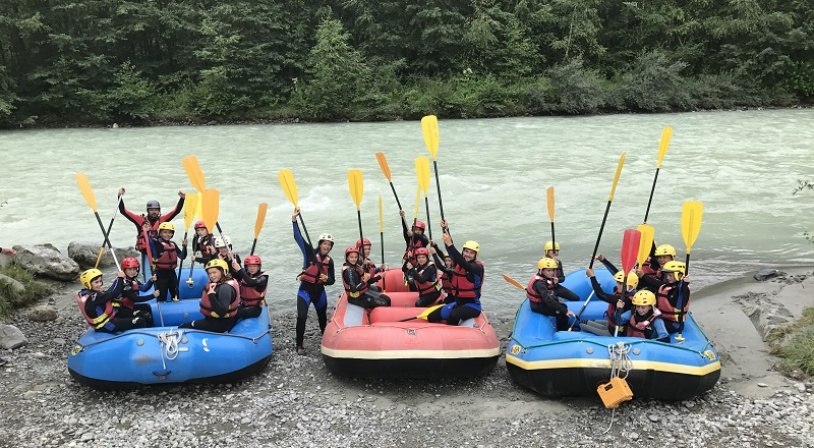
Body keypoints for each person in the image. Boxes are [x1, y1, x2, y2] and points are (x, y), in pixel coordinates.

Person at [292, 209, 335, 355]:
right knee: (302, 316)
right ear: (320, 244)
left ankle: (325, 341)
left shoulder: (330, 261)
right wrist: (294, 220)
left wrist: (327, 280)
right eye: (325, 244)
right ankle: (299, 345)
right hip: (304, 291)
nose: (327, 246)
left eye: (329, 245)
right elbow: (298, 237)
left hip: (319, 293)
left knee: (322, 317)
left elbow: (332, 280)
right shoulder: (309, 251)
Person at [117, 187, 185, 280]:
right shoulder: (140, 220)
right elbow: (123, 211)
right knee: (149, 275)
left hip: (160, 252)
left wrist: (182, 199)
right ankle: (148, 286)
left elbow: (176, 211)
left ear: (159, 211)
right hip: (146, 253)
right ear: (148, 211)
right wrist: (119, 196)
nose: (154, 212)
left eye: (156, 210)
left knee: (160, 274)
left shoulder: (162, 219)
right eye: (151, 210)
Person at [427, 220, 483, 326]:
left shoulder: (476, 268)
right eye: (466, 251)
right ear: (463, 252)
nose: (468, 255)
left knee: (453, 315)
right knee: (431, 317)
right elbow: (452, 251)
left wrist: (450, 244)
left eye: (471, 253)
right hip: (458, 303)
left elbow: (463, 262)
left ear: (475, 255)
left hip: (472, 306)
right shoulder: (458, 263)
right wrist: (445, 229)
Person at [76, 268, 149, 333]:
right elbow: (113, 294)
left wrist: (118, 279)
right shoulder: (94, 297)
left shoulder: (87, 293)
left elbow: (109, 292)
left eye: (100, 281)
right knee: (140, 321)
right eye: (96, 282)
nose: (100, 284)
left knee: (143, 313)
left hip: (110, 318)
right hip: (106, 325)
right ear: (87, 284)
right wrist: (120, 279)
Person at [179, 259, 239, 333]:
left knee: (183, 326)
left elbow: (222, 312)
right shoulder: (219, 283)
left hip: (219, 325)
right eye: (210, 273)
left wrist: (211, 295)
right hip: (214, 321)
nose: (212, 276)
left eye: (214, 272)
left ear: (223, 271)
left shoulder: (225, 288)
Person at [584, 267, 638, 335]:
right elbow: (615, 272)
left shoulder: (626, 301)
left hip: (615, 332)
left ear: (630, 286)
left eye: (620, 283)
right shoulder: (624, 292)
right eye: (617, 282)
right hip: (611, 325)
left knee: (582, 324)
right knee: (586, 321)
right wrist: (603, 260)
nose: (617, 285)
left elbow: (600, 295)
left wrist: (592, 277)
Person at [526, 257, 576, 331]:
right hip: (537, 306)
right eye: (548, 270)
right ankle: (562, 330)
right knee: (562, 311)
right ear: (542, 271)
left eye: (552, 270)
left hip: (541, 301)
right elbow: (548, 300)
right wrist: (565, 311)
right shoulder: (540, 283)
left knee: (562, 305)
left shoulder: (543, 277)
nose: (551, 272)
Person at [148, 222, 187, 302]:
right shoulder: (157, 244)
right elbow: (150, 243)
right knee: (162, 295)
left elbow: (182, 256)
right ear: (160, 233)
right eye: (165, 232)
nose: (167, 234)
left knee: (175, 294)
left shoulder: (173, 244)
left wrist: (184, 247)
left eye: (169, 232)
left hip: (172, 273)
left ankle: (176, 309)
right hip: (160, 274)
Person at [117, 257, 158, 324]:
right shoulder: (123, 283)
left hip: (129, 307)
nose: (132, 272)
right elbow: (134, 298)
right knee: (145, 315)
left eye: (134, 269)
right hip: (122, 310)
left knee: (147, 307)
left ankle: (152, 329)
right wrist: (153, 295)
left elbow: (144, 288)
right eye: (130, 269)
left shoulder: (133, 280)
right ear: (124, 270)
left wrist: (150, 281)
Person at [655, 260, 691, 334]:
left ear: (679, 275)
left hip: (674, 324)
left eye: (670, 275)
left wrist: (684, 285)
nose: (667, 278)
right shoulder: (664, 287)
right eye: (667, 275)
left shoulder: (682, 290)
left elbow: (679, 303)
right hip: (662, 318)